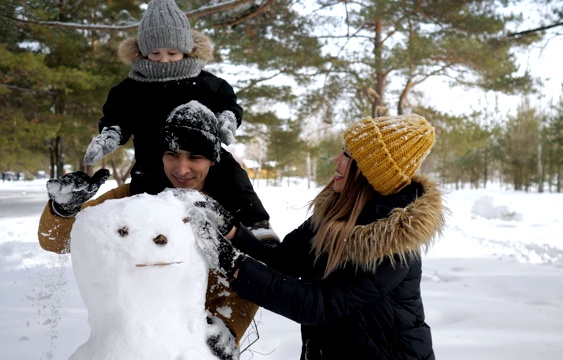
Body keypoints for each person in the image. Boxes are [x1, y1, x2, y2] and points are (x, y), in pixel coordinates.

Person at [191, 113, 447, 359]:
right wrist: (232, 230)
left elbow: (320, 305)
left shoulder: (392, 242)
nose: (336, 160)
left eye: (347, 155)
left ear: (370, 172)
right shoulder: (336, 213)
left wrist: (233, 264)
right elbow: (282, 262)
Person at [38, 101, 259, 360]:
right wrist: (63, 209)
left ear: (212, 160)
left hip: (197, 343)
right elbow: (56, 241)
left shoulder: (231, 208)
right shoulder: (135, 198)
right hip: (131, 342)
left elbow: (255, 273)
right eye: (173, 154)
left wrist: (228, 329)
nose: (182, 168)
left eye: (195, 157)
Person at [83, 0, 277, 242]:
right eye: (155, 53)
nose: (164, 60)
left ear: (186, 50)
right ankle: (149, 246)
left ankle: (257, 225)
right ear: (142, 53)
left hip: (205, 159)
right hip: (151, 160)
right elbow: (117, 116)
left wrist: (228, 119)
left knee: (233, 177)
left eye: (172, 53)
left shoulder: (206, 83)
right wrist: (110, 134)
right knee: (147, 200)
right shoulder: (130, 90)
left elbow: (229, 104)